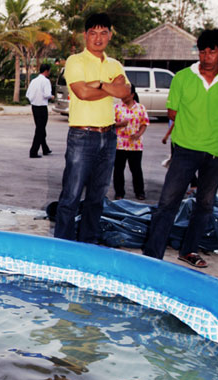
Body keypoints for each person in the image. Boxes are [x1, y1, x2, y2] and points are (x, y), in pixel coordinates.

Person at [143, 29, 218, 268]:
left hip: (216, 153)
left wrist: (208, 132)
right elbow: (172, 112)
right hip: (184, 150)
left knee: (205, 205)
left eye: (212, 52)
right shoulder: (183, 77)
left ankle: (189, 250)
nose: (206, 56)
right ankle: (152, 254)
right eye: (203, 51)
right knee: (168, 202)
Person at [53, 12, 131, 243]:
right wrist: (109, 87)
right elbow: (82, 93)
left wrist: (98, 83)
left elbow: (125, 92)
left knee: (97, 198)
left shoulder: (115, 64)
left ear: (110, 34)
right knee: (71, 195)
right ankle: (62, 247)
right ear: (85, 35)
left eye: (103, 33)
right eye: (93, 33)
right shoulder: (75, 61)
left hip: (108, 136)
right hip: (82, 136)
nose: (98, 38)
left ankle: (88, 244)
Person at [113, 84, 149, 200]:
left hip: (135, 145)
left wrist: (138, 134)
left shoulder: (140, 108)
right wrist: (120, 124)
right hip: (119, 144)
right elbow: (110, 124)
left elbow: (144, 123)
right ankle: (119, 193)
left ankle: (140, 192)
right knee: (119, 169)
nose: (123, 96)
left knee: (136, 169)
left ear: (132, 95)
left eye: (126, 94)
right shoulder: (117, 108)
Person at [26, 63, 54, 158]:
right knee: (40, 129)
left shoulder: (34, 81)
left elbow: (28, 94)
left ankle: (45, 148)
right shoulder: (46, 81)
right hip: (42, 106)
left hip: (34, 106)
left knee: (40, 128)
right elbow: (47, 94)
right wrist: (51, 96)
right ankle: (33, 151)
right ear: (46, 71)